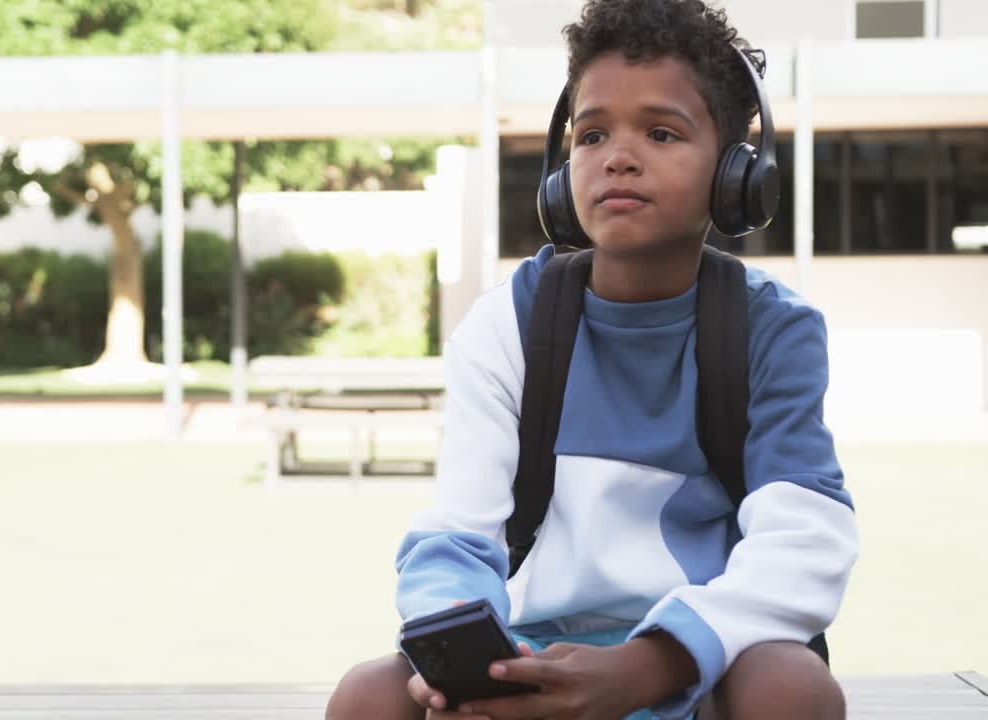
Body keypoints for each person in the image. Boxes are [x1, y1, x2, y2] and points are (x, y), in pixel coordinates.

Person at [324, 1, 860, 719]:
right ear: (562, 168)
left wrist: (651, 664)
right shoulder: (509, 323)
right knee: (367, 695)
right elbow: (456, 531)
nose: (617, 156)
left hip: (697, 661)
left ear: (736, 174)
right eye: (592, 134)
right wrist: (468, 661)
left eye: (662, 132)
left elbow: (806, 539)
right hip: (535, 656)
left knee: (791, 686)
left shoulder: (773, 330)